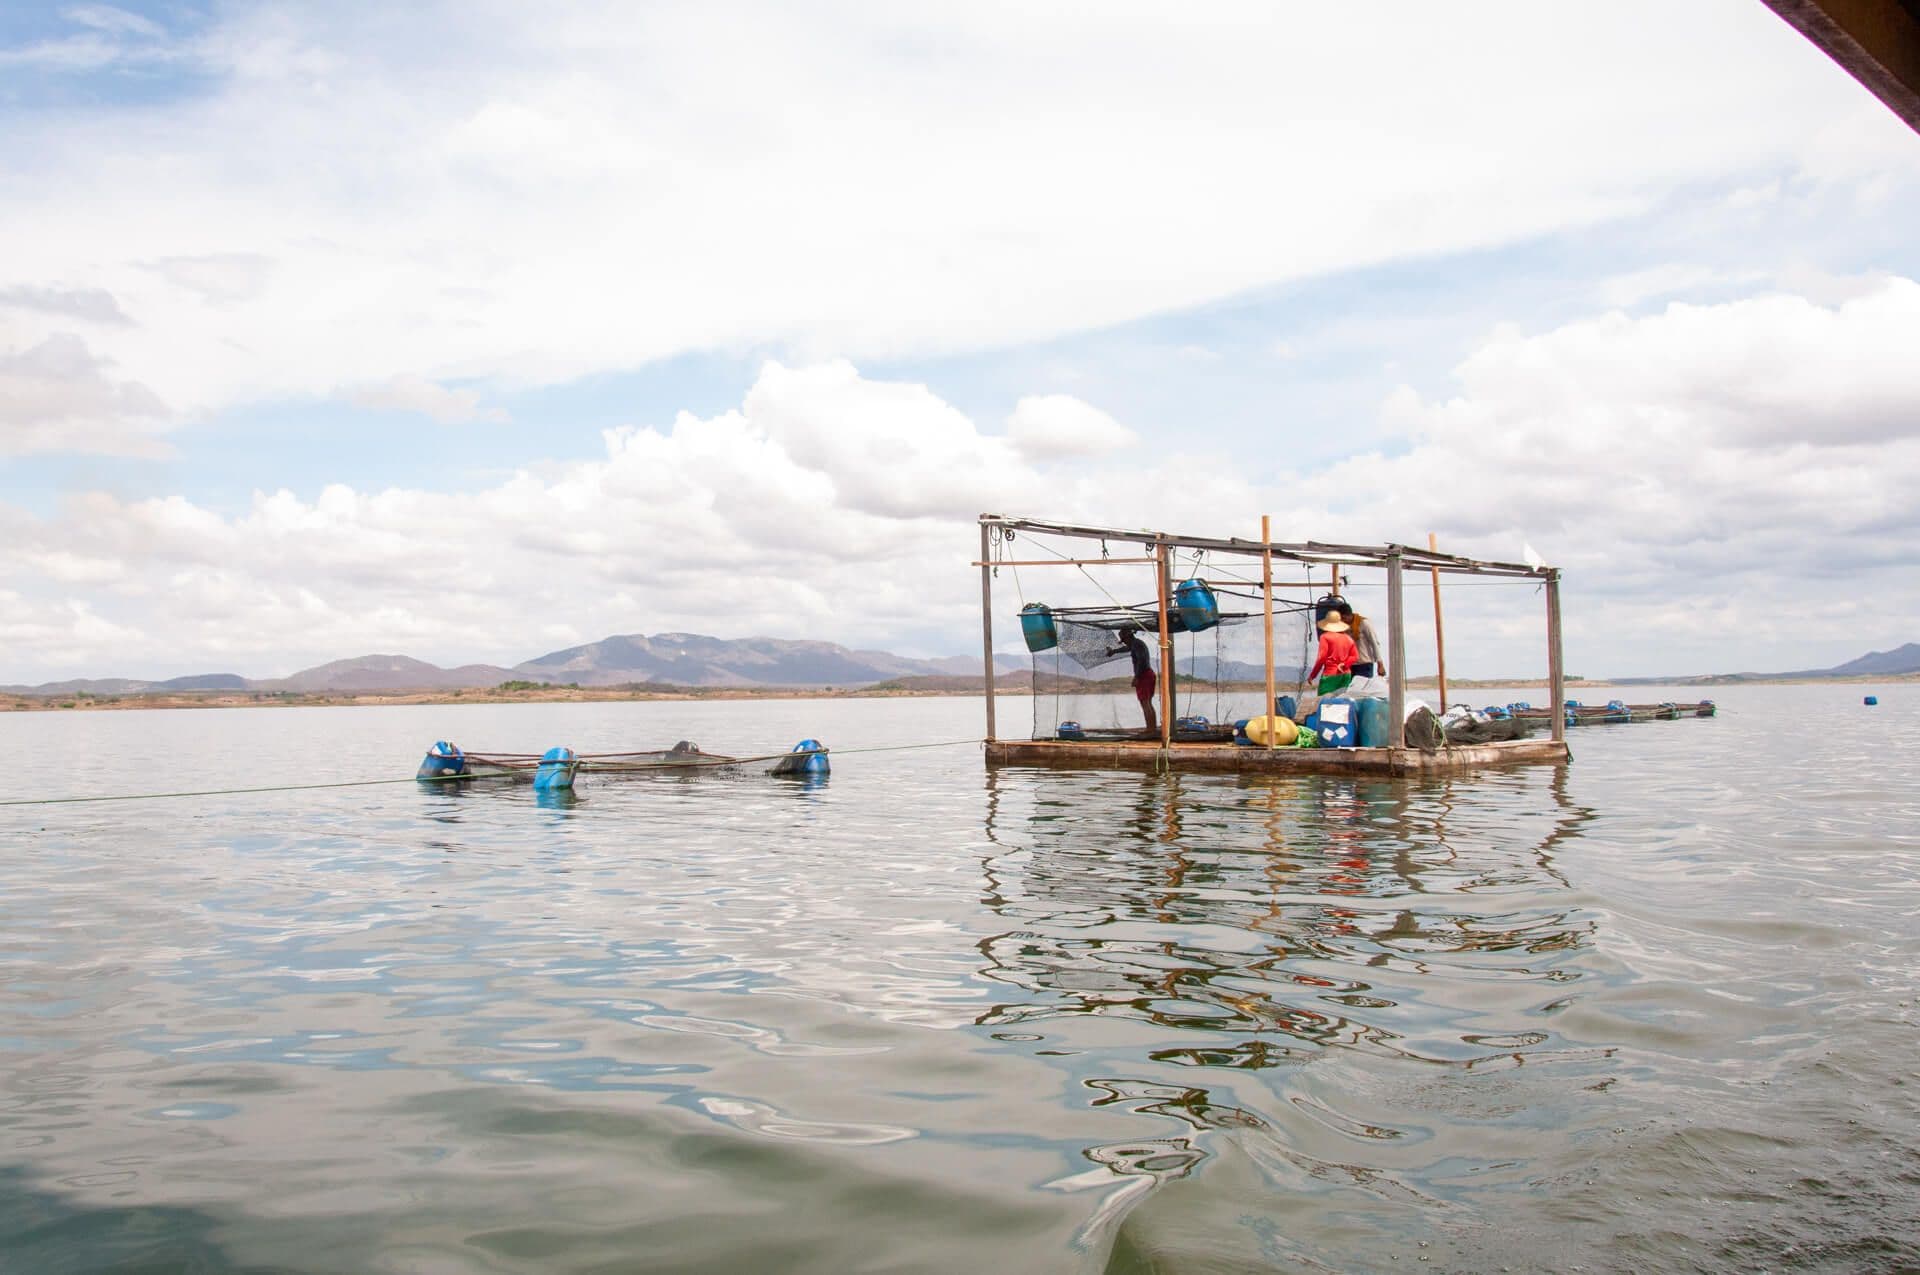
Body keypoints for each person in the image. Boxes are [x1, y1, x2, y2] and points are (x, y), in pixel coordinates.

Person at [1110, 625, 1159, 735]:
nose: (1124, 643)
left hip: (1144, 675)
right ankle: (1152, 728)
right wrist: (1114, 651)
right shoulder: (1135, 644)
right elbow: (1127, 648)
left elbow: (1141, 660)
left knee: (1145, 703)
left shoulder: (1137, 645)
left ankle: (1150, 729)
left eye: (1124, 640)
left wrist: (1137, 677)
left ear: (1128, 637)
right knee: (1147, 702)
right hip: (1147, 674)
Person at [1307, 611, 1359, 696]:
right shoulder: (1348, 638)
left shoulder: (1325, 637)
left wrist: (1313, 675)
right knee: (1342, 702)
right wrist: (1345, 665)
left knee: (1324, 702)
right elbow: (1355, 656)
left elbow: (1321, 658)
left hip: (1330, 675)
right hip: (1346, 675)